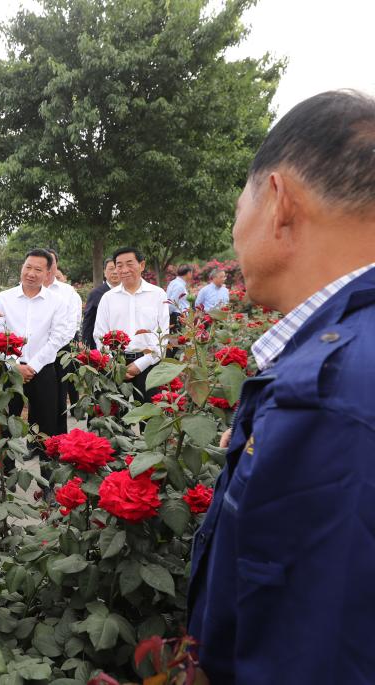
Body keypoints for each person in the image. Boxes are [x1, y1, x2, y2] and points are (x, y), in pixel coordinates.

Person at [188, 90, 375, 684]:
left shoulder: (333, 391)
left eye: (237, 205)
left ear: (278, 200)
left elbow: (312, 653)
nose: (236, 231)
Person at [0, 249, 70, 438]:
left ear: (48, 273)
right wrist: (15, 365)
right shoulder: (4, 298)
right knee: (8, 422)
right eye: (28, 267)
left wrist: (33, 366)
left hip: (43, 369)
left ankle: (46, 465)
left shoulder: (57, 301)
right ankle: (8, 468)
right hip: (9, 370)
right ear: (22, 267)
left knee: (46, 427)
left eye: (38, 269)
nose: (31, 273)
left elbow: (56, 338)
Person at [93, 247, 170, 400]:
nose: (124, 269)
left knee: (149, 418)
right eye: (119, 265)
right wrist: (114, 365)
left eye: (130, 264)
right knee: (117, 419)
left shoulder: (157, 294)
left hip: (149, 364)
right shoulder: (108, 298)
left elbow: (163, 336)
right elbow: (99, 334)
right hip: (115, 364)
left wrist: (140, 364)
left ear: (142, 265)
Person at [44, 248, 82, 434]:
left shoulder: (68, 292)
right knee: (37, 399)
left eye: (51, 263)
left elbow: (72, 324)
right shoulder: (28, 289)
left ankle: (59, 440)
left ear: (56, 265)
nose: (48, 267)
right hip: (32, 350)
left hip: (60, 350)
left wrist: (52, 346)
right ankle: (36, 444)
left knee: (59, 395)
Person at [80, 258, 119, 347]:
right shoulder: (96, 293)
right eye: (111, 268)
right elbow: (88, 321)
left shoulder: (127, 293)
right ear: (104, 272)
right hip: (101, 344)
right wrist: (86, 345)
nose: (115, 272)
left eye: (117, 268)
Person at [166, 264, 193, 328]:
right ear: (189, 273)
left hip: (177, 315)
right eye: (191, 273)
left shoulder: (175, 282)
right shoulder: (179, 286)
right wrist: (167, 316)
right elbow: (173, 302)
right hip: (178, 316)